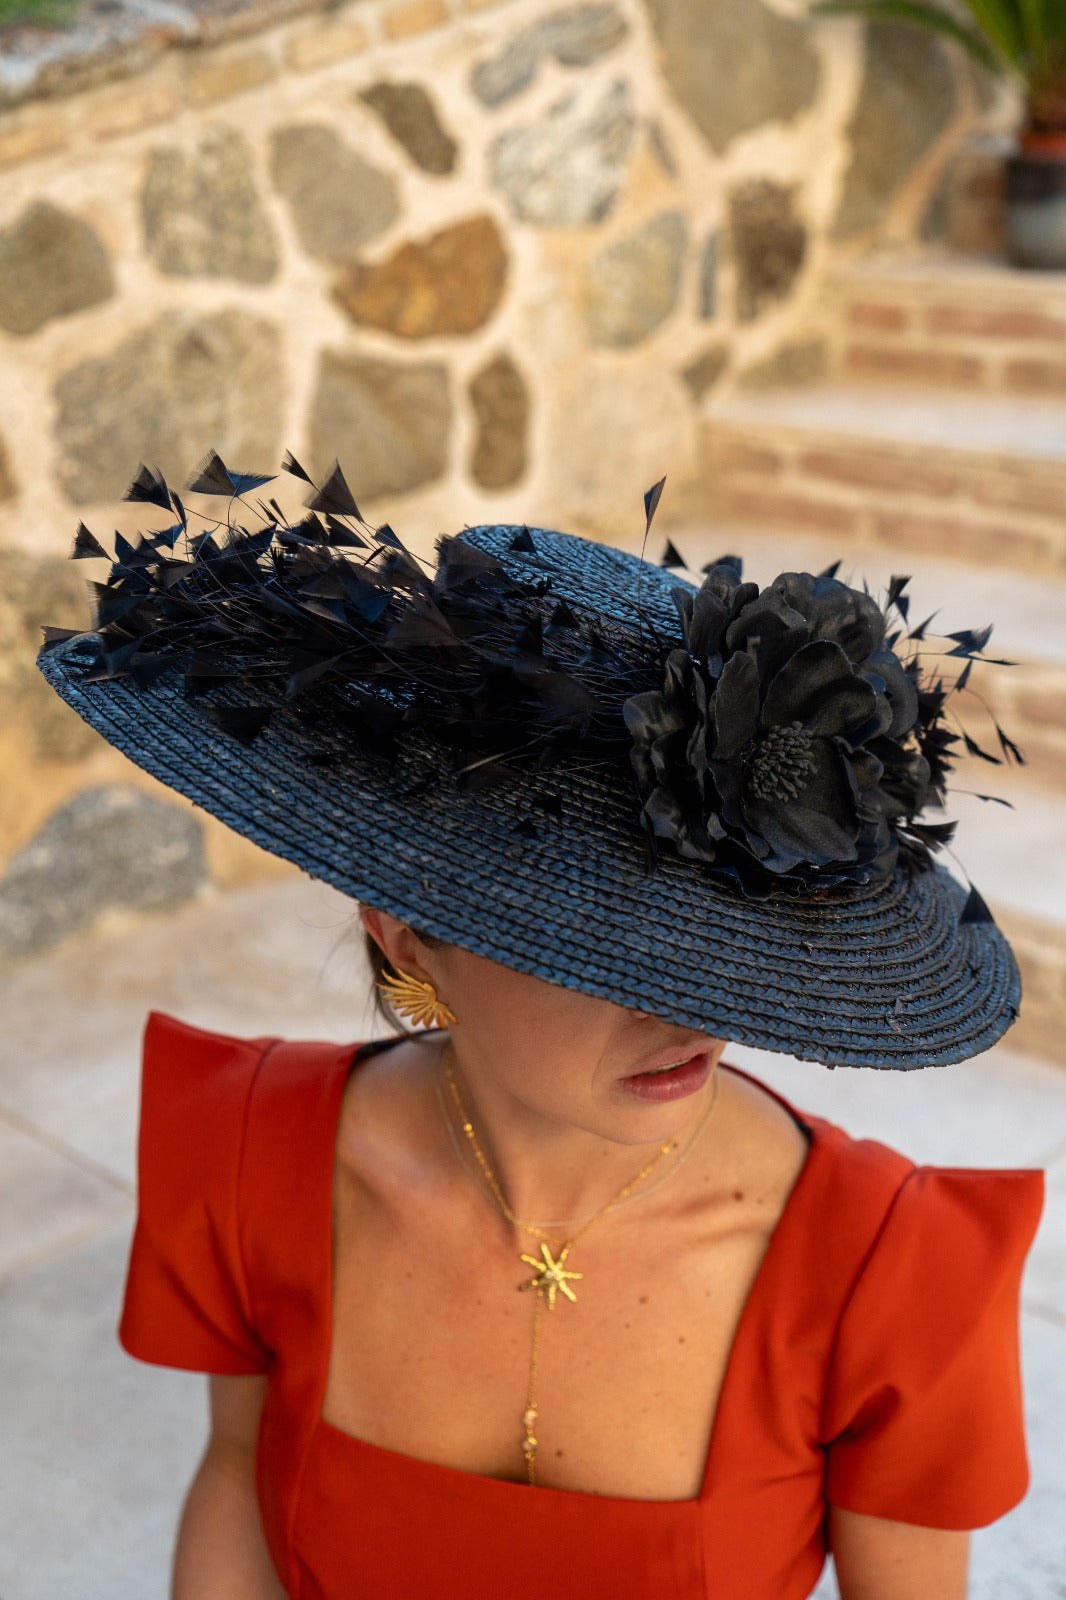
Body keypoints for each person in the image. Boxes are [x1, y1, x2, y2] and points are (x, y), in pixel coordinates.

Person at [38, 454, 1043, 1599]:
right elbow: (233, 1480)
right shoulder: (248, 1160)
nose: (696, 1012)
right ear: (408, 938)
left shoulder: (890, 1271)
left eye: (731, 951)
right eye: (607, 954)